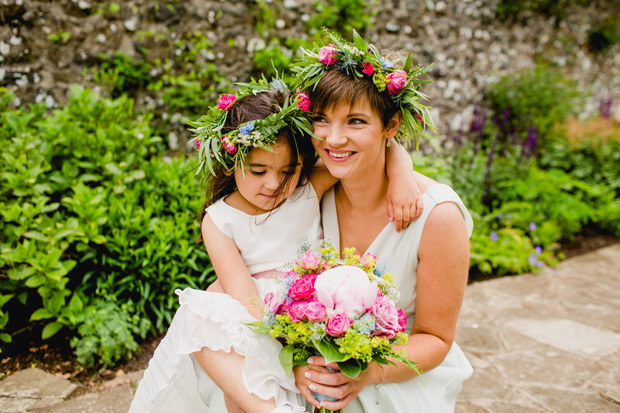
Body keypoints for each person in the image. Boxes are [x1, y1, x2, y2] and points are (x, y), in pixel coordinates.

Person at [129, 79, 423, 413]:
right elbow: (242, 293)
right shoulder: (219, 219)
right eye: (258, 170)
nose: (273, 184)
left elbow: (375, 151)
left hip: (309, 310)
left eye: (287, 170)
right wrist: (283, 350)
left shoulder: (307, 188)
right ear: (231, 163)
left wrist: (402, 174)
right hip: (260, 319)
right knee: (201, 316)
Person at [291, 31, 474, 412]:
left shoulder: (439, 218)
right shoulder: (311, 190)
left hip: (394, 377)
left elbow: (435, 339)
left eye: (355, 121)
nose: (333, 138)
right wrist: (300, 365)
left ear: (391, 127)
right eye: (320, 119)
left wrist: (365, 372)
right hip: (315, 372)